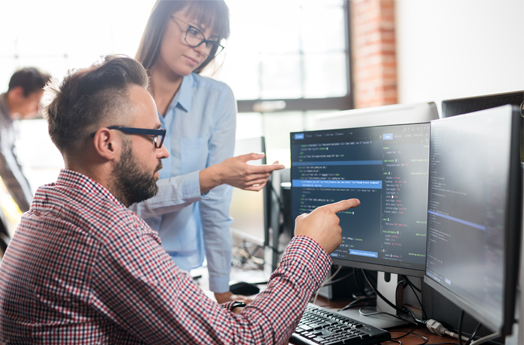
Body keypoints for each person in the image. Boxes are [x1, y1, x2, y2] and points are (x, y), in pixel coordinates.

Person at [0, 55, 360, 344]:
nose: (164, 152)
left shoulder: (50, 209)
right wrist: (309, 246)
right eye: (154, 136)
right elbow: (247, 340)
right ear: (107, 143)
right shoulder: (107, 234)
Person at [132, 0, 284, 303]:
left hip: (177, 272)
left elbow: (216, 206)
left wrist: (222, 292)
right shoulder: (121, 93)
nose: (203, 48)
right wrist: (211, 176)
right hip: (121, 260)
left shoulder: (217, 99)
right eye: (194, 31)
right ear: (161, 21)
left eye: (213, 41)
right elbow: (122, 201)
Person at [0, 67, 50, 213]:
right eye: (36, 103)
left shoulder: (11, 119)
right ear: (18, 93)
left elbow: (16, 165)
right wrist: (33, 214)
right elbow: (8, 170)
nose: (38, 111)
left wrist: (34, 205)